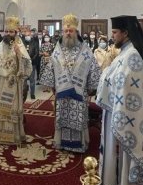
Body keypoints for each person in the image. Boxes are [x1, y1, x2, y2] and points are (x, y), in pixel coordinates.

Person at [96, 15, 143, 185]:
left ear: (126, 33)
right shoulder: (125, 52)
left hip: (124, 114)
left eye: (115, 32)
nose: (112, 36)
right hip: (115, 108)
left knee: (123, 155)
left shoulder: (132, 55)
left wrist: (106, 74)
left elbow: (124, 84)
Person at [40, 14, 101, 153]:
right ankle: (62, 142)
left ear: (76, 32)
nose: (68, 33)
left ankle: (79, 145)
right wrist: (52, 84)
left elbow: (92, 66)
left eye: (70, 31)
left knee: (79, 117)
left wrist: (92, 87)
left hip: (79, 92)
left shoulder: (85, 49)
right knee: (62, 117)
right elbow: (52, 66)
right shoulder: (58, 49)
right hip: (62, 91)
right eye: (65, 31)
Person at [0, 17, 32, 145]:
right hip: (1, 82)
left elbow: (27, 64)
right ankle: (1, 135)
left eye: (11, 32)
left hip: (13, 83)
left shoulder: (20, 45)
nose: (8, 34)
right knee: (1, 107)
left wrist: (19, 55)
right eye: (6, 31)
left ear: (16, 32)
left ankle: (14, 136)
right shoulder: (2, 44)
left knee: (12, 109)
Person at [21, 28, 39, 99]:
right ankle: (24, 92)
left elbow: (36, 53)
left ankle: (32, 93)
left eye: (29, 35)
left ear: (31, 35)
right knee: (24, 79)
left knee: (32, 79)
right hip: (24, 63)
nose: (27, 36)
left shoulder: (35, 42)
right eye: (26, 35)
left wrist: (30, 60)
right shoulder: (22, 42)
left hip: (32, 63)